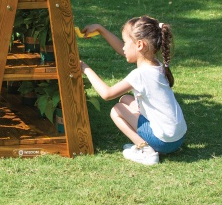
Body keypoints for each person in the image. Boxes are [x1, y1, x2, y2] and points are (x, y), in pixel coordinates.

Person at [80, 15, 187, 165]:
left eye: (125, 43)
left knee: (117, 110)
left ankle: (147, 151)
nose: (123, 47)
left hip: (164, 141)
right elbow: (124, 51)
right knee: (125, 99)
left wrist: (85, 68)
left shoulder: (140, 75)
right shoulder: (156, 64)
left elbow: (107, 94)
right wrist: (100, 29)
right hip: (177, 138)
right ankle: (149, 145)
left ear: (139, 45)